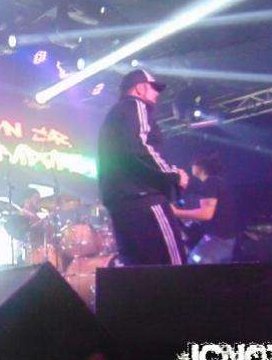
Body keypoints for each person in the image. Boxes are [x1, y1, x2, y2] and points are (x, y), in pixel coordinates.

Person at [97, 69, 188, 266]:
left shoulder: (114, 115)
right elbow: (140, 146)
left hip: (121, 207)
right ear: (139, 88)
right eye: (153, 88)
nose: (157, 94)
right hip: (145, 202)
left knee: (139, 273)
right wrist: (174, 175)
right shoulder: (135, 105)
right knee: (174, 268)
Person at [171, 154, 238, 264]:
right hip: (224, 239)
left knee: (193, 264)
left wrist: (176, 212)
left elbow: (206, 214)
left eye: (193, 165)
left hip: (218, 240)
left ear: (200, 167)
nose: (191, 167)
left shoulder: (211, 182)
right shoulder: (216, 182)